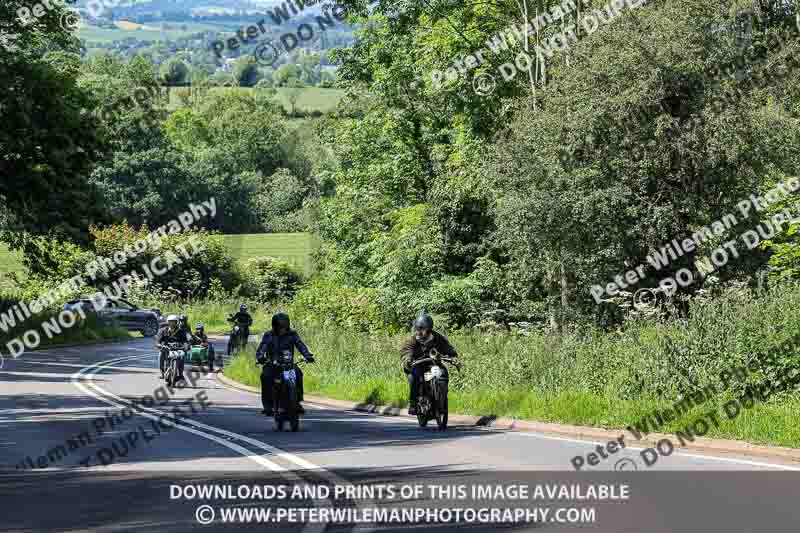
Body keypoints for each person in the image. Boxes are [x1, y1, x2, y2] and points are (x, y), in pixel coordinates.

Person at [400, 312, 460, 415]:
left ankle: (442, 398)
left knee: (443, 373)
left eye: (425, 329)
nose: (422, 332)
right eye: (419, 329)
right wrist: (408, 360)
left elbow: (448, 349)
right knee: (413, 378)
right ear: (416, 329)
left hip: (434, 364)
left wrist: (453, 357)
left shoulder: (438, 338)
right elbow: (406, 352)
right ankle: (414, 403)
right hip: (418, 365)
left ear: (430, 329)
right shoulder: (412, 340)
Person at [255, 312, 314, 416]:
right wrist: (260, 357)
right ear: (274, 326)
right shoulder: (269, 335)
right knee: (265, 376)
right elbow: (262, 347)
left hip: (288, 364)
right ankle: (268, 406)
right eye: (280, 327)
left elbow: (300, 345)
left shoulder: (292, 334)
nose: (282, 329)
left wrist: (307, 355)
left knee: (298, 374)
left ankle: (297, 402)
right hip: (272, 364)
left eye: (284, 326)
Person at [155, 314, 191, 380]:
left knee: (182, 356)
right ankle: (162, 373)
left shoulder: (181, 331)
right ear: (168, 322)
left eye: (173, 322)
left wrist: (186, 346)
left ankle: (180, 374)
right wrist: (159, 345)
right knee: (161, 355)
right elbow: (157, 340)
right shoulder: (163, 330)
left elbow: (185, 341)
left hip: (178, 348)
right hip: (166, 348)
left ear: (176, 322)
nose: (172, 323)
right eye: (170, 321)